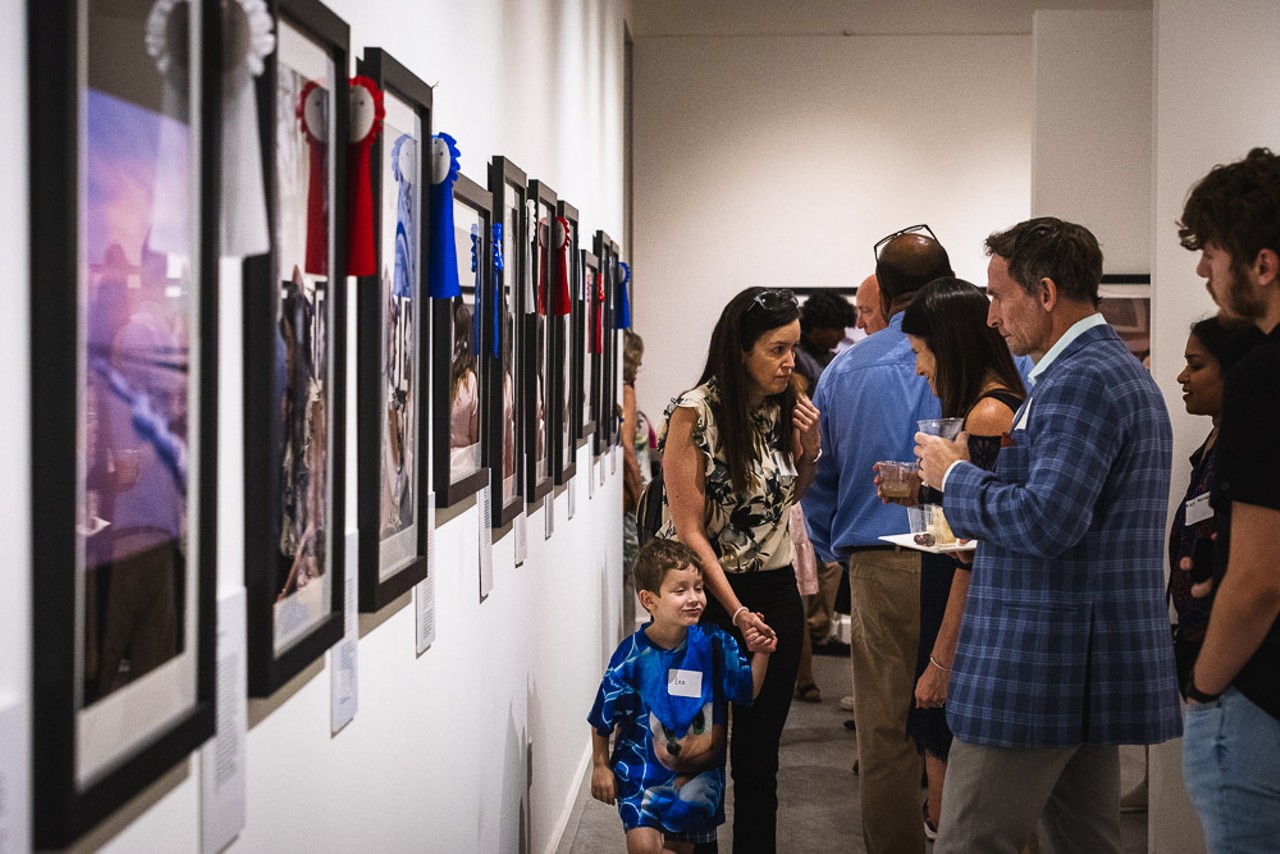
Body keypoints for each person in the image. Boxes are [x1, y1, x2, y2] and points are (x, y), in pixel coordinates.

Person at [915, 217, 1181, 853]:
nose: (990, 317)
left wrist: (954, 478)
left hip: (1036, 664)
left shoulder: (1080, 379)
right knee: (1085, 842)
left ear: (1045, 293)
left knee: (969, 841)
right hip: (1076, 666)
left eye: (998, 296)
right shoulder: (1107, 369)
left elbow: (1046, 520)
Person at [803, 224, 953, 853]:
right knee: (968, 725)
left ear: (885, 294)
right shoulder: (991, 353)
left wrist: (843, 549)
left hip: (879, 561)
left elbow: (818, 476)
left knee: (885, 735)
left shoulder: (845, 370)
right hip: (970, 560)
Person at [657, 286, 821, 852]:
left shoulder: (783, 403)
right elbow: (689, 530)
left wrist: (811, 448)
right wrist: (736, 611)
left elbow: (785, 501)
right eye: (777, 349)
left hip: (772, 596)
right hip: (705, 602)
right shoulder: (693, 413)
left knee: (758, 764)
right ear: (741, 348)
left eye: (794, 349)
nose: (789, 362)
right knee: (697, 759)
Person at [889, 276, 1026, 842]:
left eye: (923, 353)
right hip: (956, 596)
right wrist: (922, 491)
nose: (921, 370)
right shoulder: (992, 406)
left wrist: (941, 661)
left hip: (965, 613)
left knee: (954, 807)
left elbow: (978, 546)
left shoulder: (988, 415)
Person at [1176, 147, 1280, 851]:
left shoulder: (1265, 379)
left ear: (1263, 265)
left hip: (1259, 693)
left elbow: (1259, 579)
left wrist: (1203, 686)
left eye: (1213, 252)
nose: (1202, 270)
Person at [589, 538, 775, 853]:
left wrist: (762, 653)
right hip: (640, 775)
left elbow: (746, 691)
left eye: (699, 588)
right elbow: (603, 715)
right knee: (644, 848)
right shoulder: (632, 655)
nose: (694, 599)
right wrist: (600, 765)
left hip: (696, 782)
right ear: (649, 600)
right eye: (680, 591)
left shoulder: (716, 645)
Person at [792, 292, 855, 702]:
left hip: (815, 473)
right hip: (805, 480)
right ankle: (810, 646)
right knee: (812, 571)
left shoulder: (826, 359)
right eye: (834, 326)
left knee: (822, 568)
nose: (839, 334)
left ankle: (814, 637)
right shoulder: (801, 363)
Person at [622, 330, 655, 628]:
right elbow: (628, 451)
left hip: (633, 498)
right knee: (638, 574)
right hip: (633, 501)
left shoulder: (620, 392)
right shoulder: (626, 393)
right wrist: (641, 497)